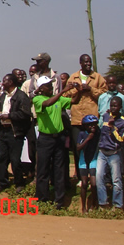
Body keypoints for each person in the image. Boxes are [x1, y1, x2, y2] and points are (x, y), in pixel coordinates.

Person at [33, 76, 80, 209]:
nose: (51, 87)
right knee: (43, 170)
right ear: (42, 88)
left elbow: (74, 101)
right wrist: (62, 91)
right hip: (45, 139)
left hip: (58, 138)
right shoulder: (38, 99)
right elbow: (47, 104)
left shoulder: (58, 98)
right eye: (48, 85)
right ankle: (42, 198)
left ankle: (59, 200)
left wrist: (79, 90)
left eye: (51, 84)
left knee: (59, 169)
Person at [64, 54, 106, 182]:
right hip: (77, 118)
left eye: (90, 62)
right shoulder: (73, 77)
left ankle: (94, 175)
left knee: (93, 147)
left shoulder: (98, 77)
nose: (88, 64)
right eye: (85, 62)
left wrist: (91, 89)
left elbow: (104, 95)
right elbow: (66, 94)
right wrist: (77, 90)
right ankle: (81, 176)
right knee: (78, 148)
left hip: (92, 119)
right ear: (80, 63)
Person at [0, 74, 31, 196]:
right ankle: (2, 182)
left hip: (15, 132)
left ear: (12, 82)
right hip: (3, 131)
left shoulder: (21, 96)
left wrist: (9, 116)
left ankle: (19, 182)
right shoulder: (3, 96)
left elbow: (25, 114)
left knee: (15, 159)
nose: (3, 82)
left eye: (5, 80)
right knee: (1, 158)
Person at [96, 96, 124, 211]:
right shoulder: (105, 116)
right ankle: (103, 203)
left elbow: (120, 139)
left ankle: (118, 205)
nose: (113, 108)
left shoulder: (123, 121)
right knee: (99, 177)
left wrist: (112, 127)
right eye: (111, 106)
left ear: (120, 107)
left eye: (115, 106)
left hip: (114, 153)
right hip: (102, 152)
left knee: (116, 180)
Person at [77, 114, 100, 213]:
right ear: (85, 126)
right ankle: (83, 207)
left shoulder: (98, 133)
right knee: (84, 184)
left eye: (94, 124)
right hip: (83, 161)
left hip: (93, 160)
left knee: (94, 184)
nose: (93, 127)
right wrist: (88, 139)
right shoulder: (82, 134)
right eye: (90, 125)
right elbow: (78, 148)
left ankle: (94, 204)